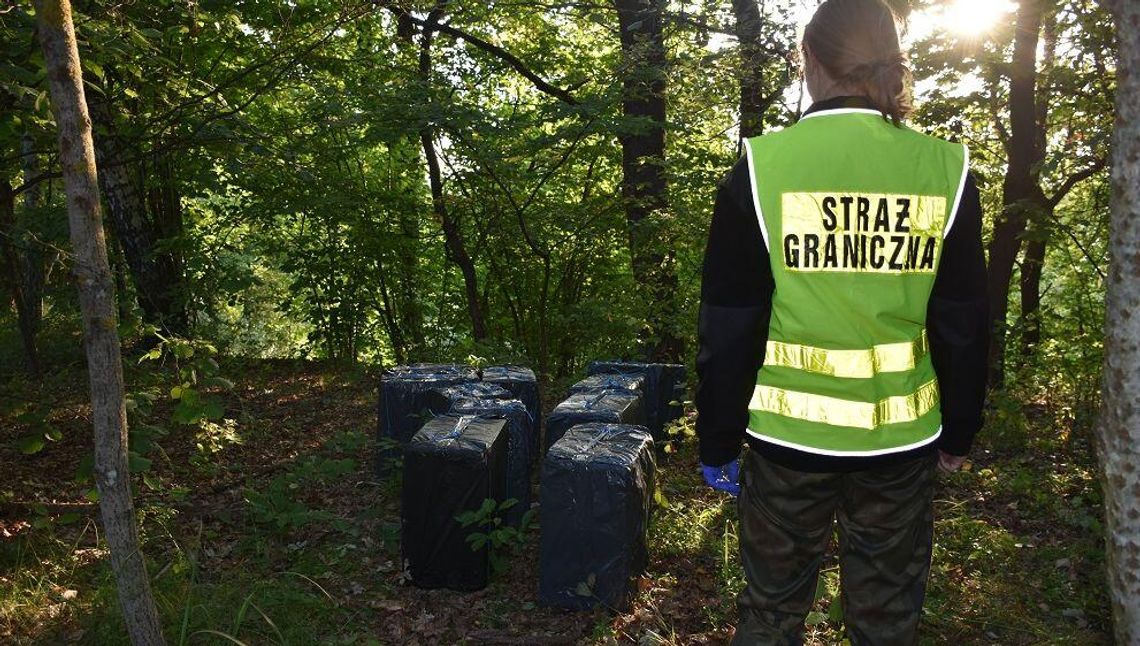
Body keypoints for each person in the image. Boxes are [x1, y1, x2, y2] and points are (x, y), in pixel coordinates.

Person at [694, 0, 990, 643]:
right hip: (899, 446)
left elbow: (731, 325)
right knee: (887, 618)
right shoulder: (946, 169)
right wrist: (960, 431)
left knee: (771, 612)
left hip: (786, 445)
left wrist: (717, 439)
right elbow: (963, 323)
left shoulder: (762, 168)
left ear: (810, 57)